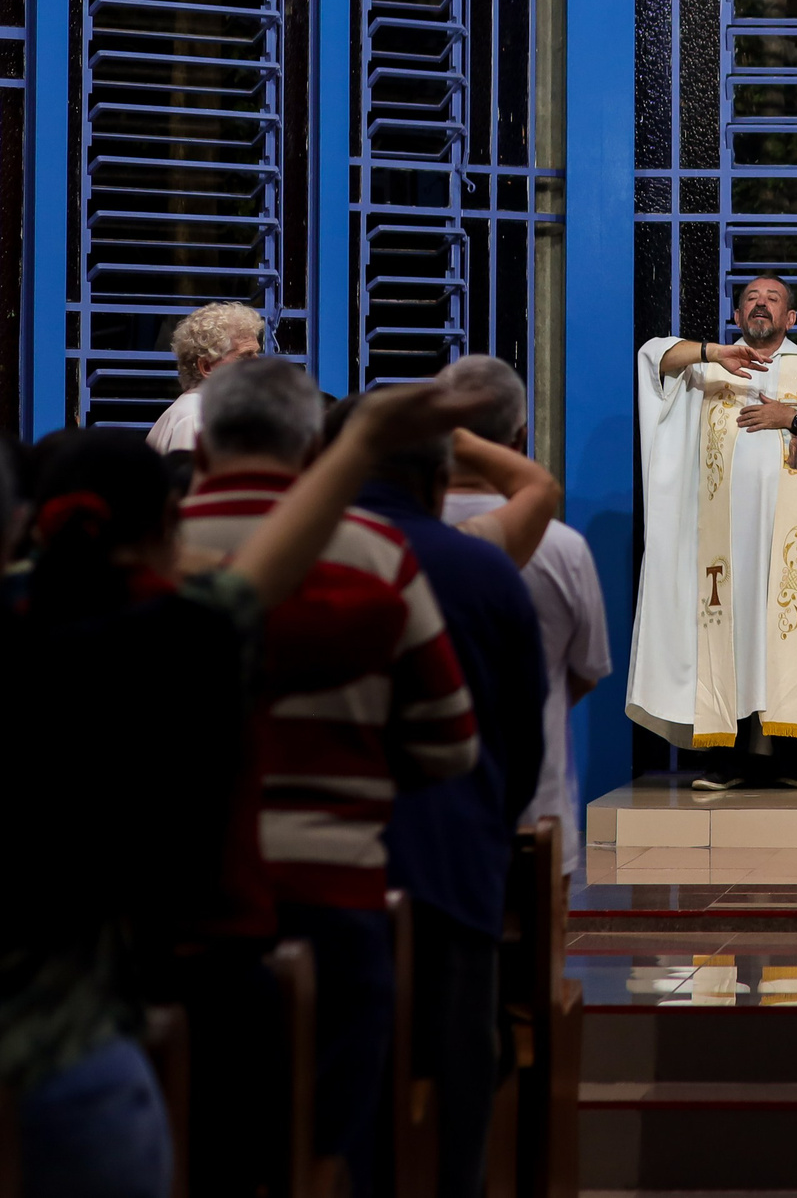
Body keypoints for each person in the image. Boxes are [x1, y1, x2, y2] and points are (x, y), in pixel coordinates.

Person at [7, 385, 497, 1198]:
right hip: (258, 923)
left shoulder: (34, 623)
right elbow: (427, 714)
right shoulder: (186, 629)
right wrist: (364, 441)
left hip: (130, 938)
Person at [180, 358, 485, 1193]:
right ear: (313, 447)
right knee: (334, 1142)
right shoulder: (374, 551)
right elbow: (451, 740)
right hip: (336, 886)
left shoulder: (158, 541)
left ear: (202, 448)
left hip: (183, 899)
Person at [337, 395, 548, 1198]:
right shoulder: (478, 561)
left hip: (328, 863)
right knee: (461, 1061)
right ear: (438, 480)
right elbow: (519, 731)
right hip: (451, 854)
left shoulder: (303, 556)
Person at [633, 276, 797, 790]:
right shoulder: (708, 368)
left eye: (773, 299)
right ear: (738, 316)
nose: (761, 305)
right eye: (751, 299)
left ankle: (794, 757)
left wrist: (795, 417)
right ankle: (727, 757)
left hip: (793, 542)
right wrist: (714, 353)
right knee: (728, 633)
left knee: (791, 634)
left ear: (791, 318)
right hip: (725, 539)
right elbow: (653, 358)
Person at [436, 355, 612, 855]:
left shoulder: (394, 540)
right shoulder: (562, 548)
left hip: (427, 805)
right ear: (519, 439)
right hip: (536, 801)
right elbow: (584, 671)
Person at [145, 300, 266, 454]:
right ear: (207, 367)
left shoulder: (202, 413)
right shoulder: (195, 420)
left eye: (256, 353)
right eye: (245, 356)